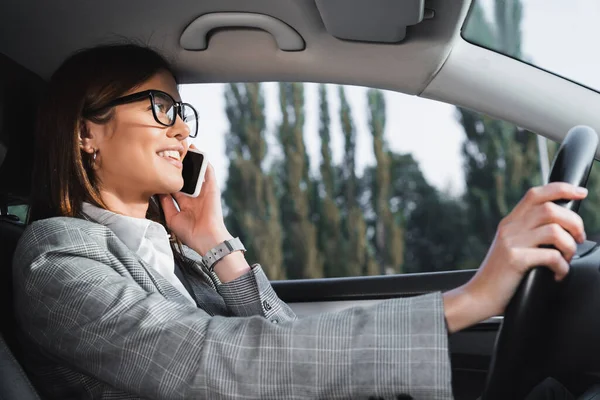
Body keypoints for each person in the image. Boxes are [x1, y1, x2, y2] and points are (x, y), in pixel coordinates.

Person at [12, 43, 588, 400]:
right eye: (161, 107)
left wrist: (215, 244)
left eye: (182, 111)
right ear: (87, 130)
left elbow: (279, 349)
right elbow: (210, 362)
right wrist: (468, 301)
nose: (183, 129)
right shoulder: (56, 257)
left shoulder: (170, 253)